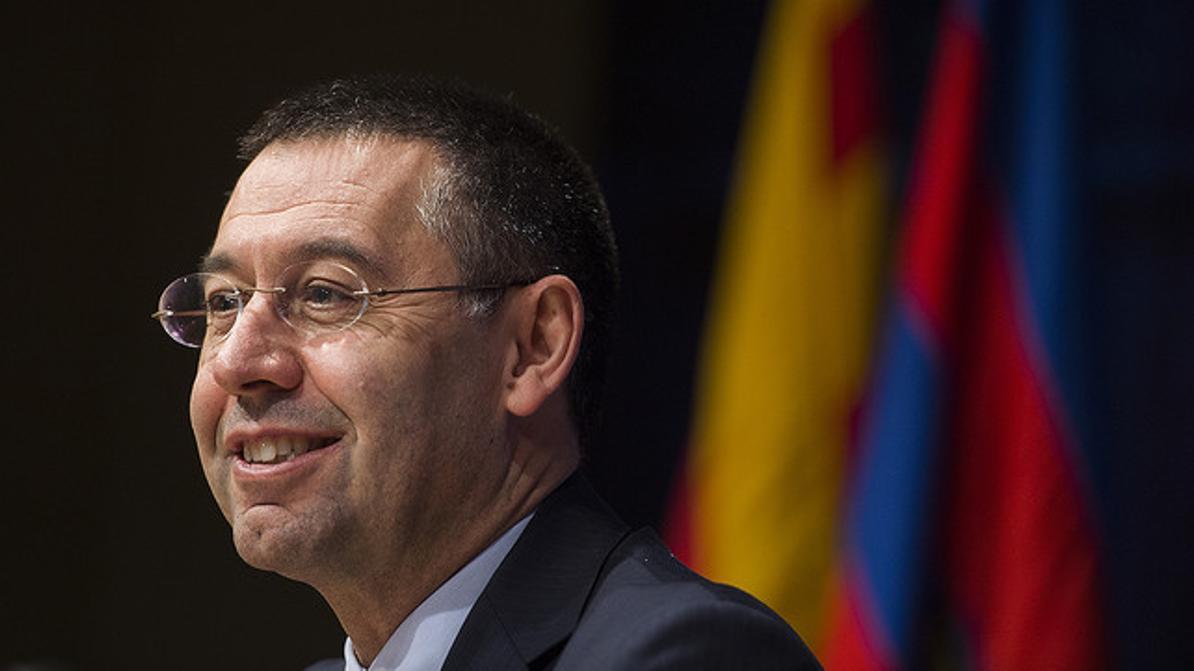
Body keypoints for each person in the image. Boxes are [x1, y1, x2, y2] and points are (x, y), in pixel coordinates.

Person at [153, 75, 821, 671]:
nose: (241, 361)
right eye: (223, 302)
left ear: (532, 346)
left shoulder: (682, 654)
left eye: (325, 294)